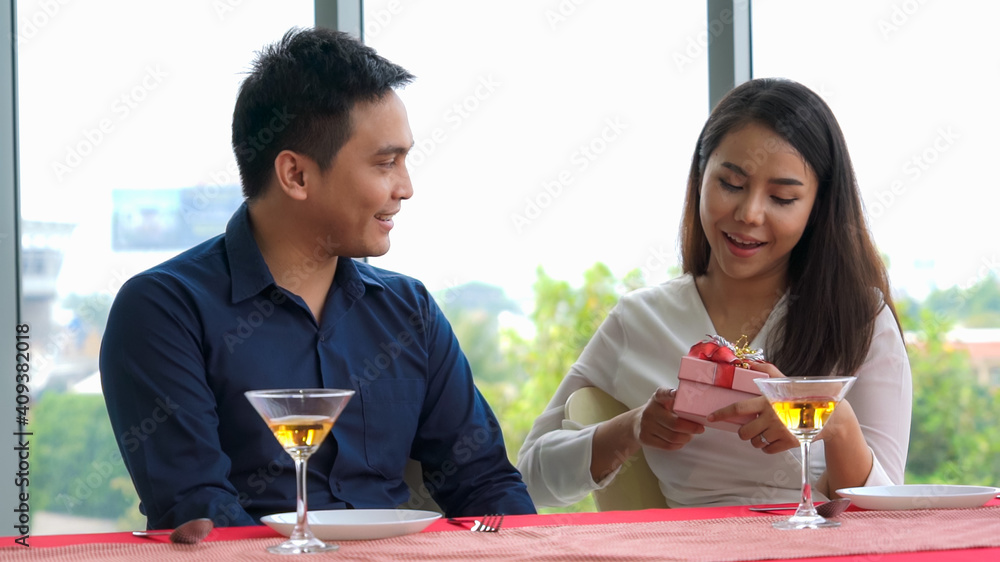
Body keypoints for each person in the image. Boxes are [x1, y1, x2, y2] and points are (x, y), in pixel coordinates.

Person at [100, 27, 535, 529]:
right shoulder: (164, 309)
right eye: (385, 163)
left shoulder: (408, 310)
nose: (406, 188)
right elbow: (199, 511)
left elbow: (485, 483)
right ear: (296, 176)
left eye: (405, 160)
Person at [516, 78, 912, 508]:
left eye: (782, 198)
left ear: (817, 208)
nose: (748, 214)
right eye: (732, 184)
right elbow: (530, 478)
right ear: (699, 178)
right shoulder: (642, 320)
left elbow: (889, 510)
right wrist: (632, 428)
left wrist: (833, 422)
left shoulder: (859, 319)